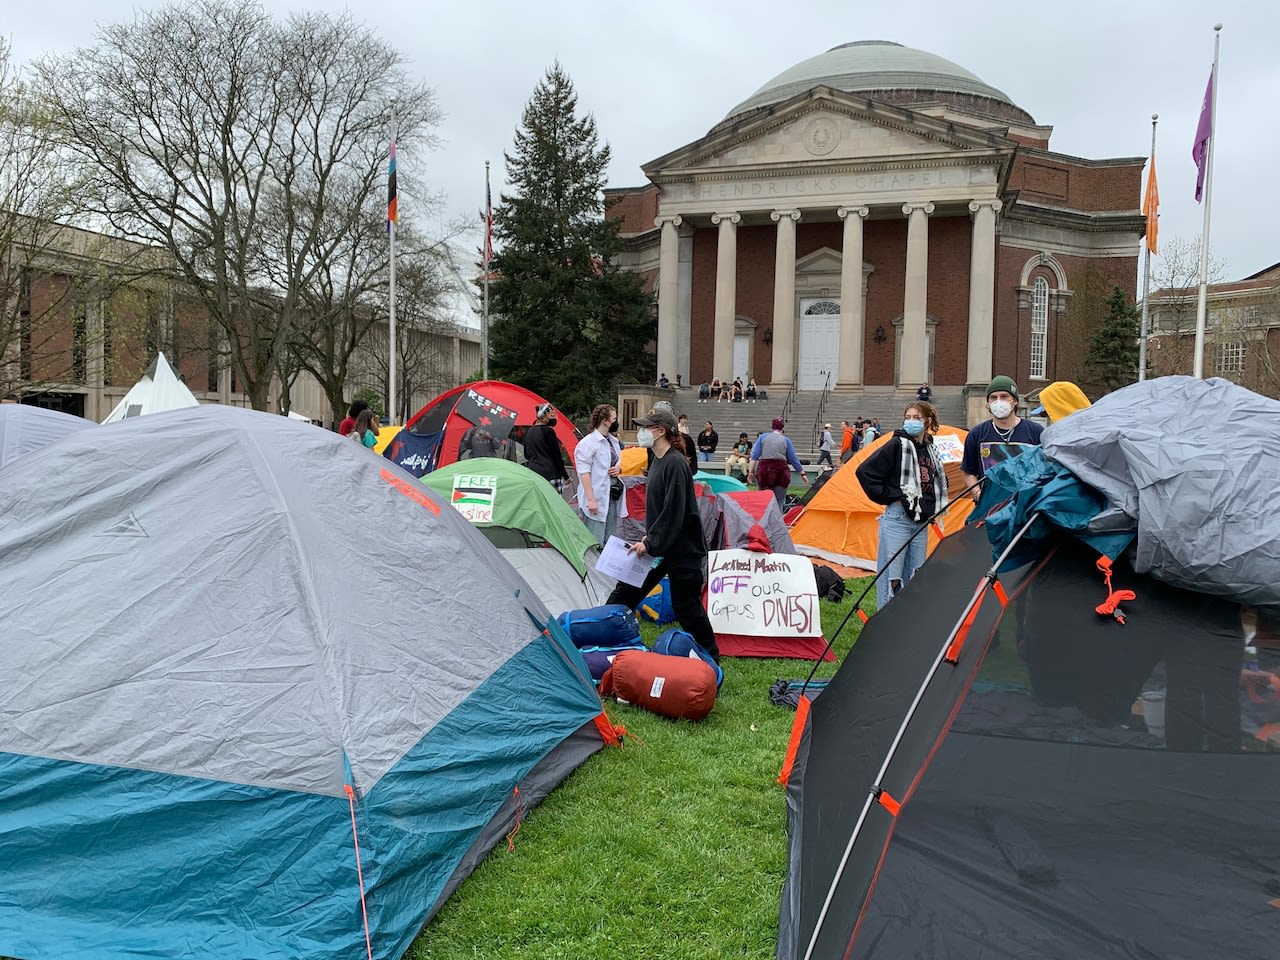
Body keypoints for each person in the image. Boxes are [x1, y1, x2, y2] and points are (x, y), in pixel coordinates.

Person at [607, 408, 720, 662]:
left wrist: (649, 543)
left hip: (683, 548)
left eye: (646, 427)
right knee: (625, 594)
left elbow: (674, 513)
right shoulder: (656, 459)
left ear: (659, 431)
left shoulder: (676, 463)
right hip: (660, 546)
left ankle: (710, 656)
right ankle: (601, 639)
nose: (641, 432)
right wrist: (651, 542)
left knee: (686, 606)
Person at [855, 401, 949, 612]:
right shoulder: (897, 444)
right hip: (898, 518)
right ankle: (886, 618)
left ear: (928, 420)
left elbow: (933, 481)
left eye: (917, 417)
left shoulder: (931, 449)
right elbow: (865, 472)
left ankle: (908, 618)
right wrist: (892, 496)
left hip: (920, 520)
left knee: (915, 573)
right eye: (908, 417)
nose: (911, 421)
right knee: (893, 575)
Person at [960, 375, 1044, 501]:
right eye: (993, 397)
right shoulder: (977, 434)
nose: (998, 401)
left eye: (1004, 396)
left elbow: (1046, 470)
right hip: (989, 509)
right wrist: (978, 494)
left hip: (1026, 506)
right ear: (988, 403)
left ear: (1015, 401)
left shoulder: (1036, 432)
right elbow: (968, 472)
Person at [576, 404, 627, 546]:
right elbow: (584, 472)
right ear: (605, 421)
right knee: (595, 539)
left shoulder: (613, 441)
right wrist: (591, 499)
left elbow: (615, 463)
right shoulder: (587, 443)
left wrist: (618, 470)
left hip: (611, 495)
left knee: (609, 538)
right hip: (596, 496)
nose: (616, 421)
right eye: (614, 418)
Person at [748, 417, 807, 507]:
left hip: (764, 471)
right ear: (783, 428)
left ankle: (765, 519)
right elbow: (793, 458)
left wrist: (750, 472)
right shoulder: (786, 440)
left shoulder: (762, 437)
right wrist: (802, 473)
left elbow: (754, 456)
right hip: (781, 472)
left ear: (772, 426)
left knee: (764, 501)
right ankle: (777, 519)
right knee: (779, 501)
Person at [524, 402, 570, 493]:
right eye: (551, 415)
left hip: (534, 474)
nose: (554, 417)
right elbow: (556, 456)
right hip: (551, 474)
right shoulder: (548, 431)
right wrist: (565, 476)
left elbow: (526, 454)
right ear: (543, 417)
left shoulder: (529, 432)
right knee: (555, 505)